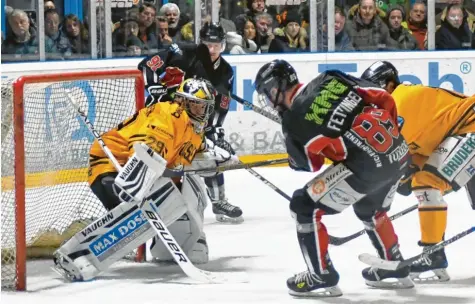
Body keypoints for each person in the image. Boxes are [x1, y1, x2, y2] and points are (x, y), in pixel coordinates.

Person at [254, 59, 413, 298]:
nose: (268, 101)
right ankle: (394, 266)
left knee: (303, 206)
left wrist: (294, 137)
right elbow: (382, 96)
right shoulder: (330, 77)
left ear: (276, 89)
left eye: (267, 94)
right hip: (399, 153)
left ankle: (321, 275)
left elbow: (309, 164)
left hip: (367, 166)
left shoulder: (293, 119)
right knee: (370, 209)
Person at [53, 78, 238, 281]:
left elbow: (195, 154)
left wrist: (219, 156)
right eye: (198, 105)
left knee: (181, 188)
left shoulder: (193, 128)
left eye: (205, 107)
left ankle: (183, 237)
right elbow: (146, 145)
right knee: (143, 209)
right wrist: (138, 178)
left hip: (144, 173)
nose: (203, 111)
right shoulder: (169, 114)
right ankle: (77, 252)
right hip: (112, 167)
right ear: (184, 102)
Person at [361, 61, 475, 283]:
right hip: (463, 131)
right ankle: (434, 253)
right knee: (425, 181)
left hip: (471, 128)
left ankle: (433, 254)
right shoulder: (417, 112)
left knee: (427, 182)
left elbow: (392, 156)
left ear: (389, 84)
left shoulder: (399, 100)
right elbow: (418, 153)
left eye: (374, 89)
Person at [138, 22, 243, 223]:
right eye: (207, 44)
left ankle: (219, 201)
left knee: (211, 153)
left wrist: (216, 128)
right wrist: (154, 87)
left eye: (216, 45)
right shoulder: (183, 52)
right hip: (165, 119)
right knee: (159, 160)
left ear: (223, 45)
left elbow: (221, 104)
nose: (212, 50)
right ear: (199, 42)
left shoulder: (225, 71)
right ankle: (147, 199)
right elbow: (147, 64)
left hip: (194, 122)